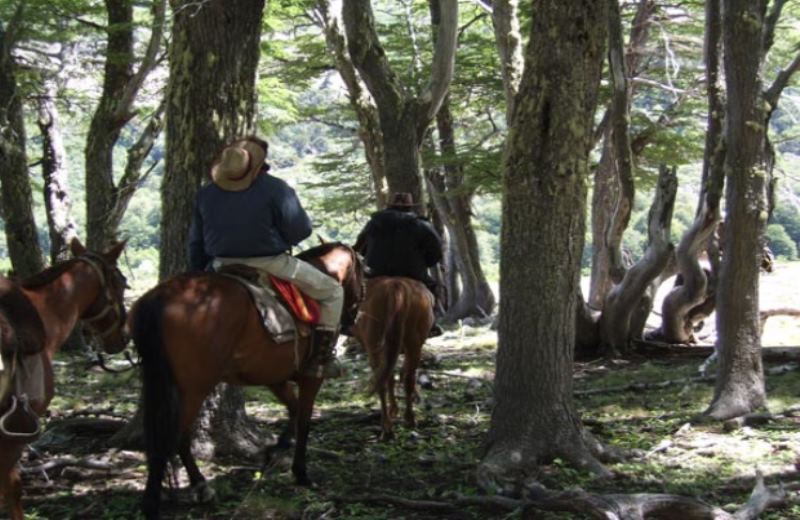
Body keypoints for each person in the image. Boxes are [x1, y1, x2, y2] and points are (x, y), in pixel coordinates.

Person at [188, 136, 344, 378]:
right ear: (259, 164)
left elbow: (196, 242)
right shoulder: (276, 188)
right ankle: (320, 359)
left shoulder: (206, 193)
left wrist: (197, 272)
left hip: (220, 265)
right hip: (271, 263)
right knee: (333, 291)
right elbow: (300, 230)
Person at [354, 192, 444, 336]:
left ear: (389, 206)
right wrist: (426, 262)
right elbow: (436, 251)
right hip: (413, 273)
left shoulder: (373, 223)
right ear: (410, 207)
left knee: (357, 293)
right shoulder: (422, 224)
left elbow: (360, 247)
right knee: (433, 288)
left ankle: (351, 321)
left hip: (376, 271)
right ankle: (431, 324)